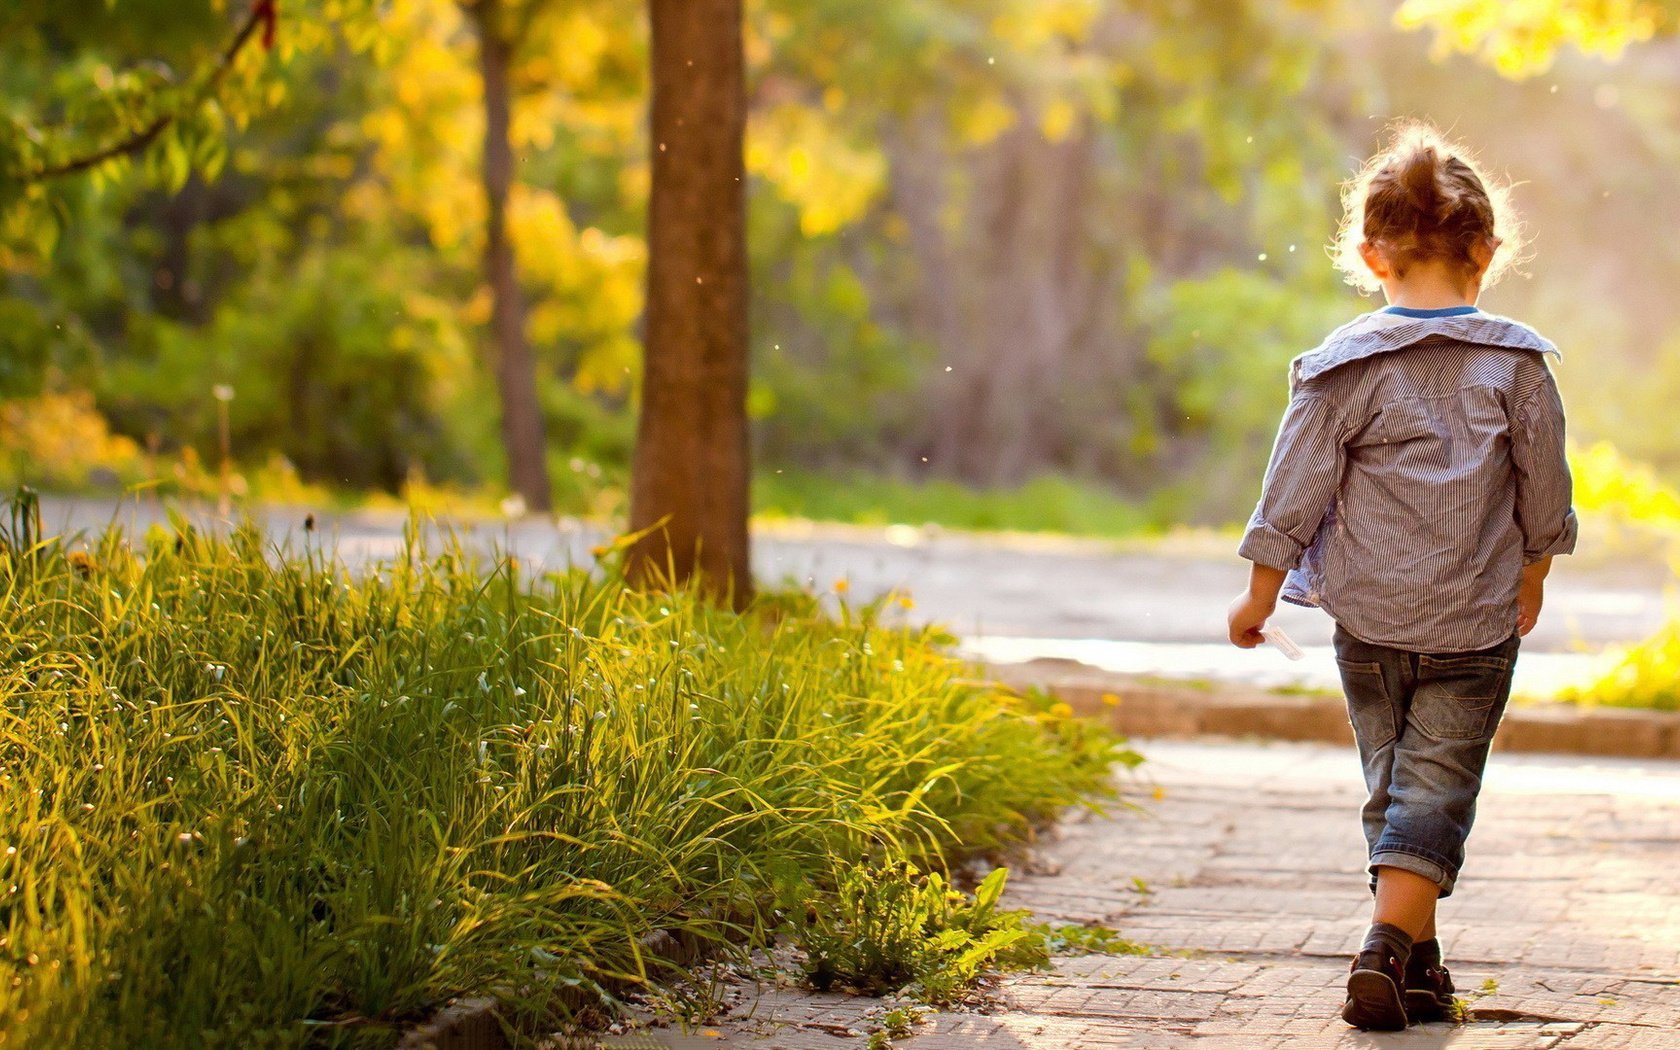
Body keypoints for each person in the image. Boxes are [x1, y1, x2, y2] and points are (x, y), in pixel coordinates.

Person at [1225, 123, 1577, 1031]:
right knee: (1435, 788)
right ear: (1486, 253)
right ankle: (1385, 953)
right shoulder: (1518, 368)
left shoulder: (1344, 369)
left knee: (1395, 787)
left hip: (1370, 625)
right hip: (1475, 624)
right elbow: (1546, 489)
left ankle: (1417, 969)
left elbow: (1290, 494)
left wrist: (1260, 597)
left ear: (1372, 255)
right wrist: (1535, 568)